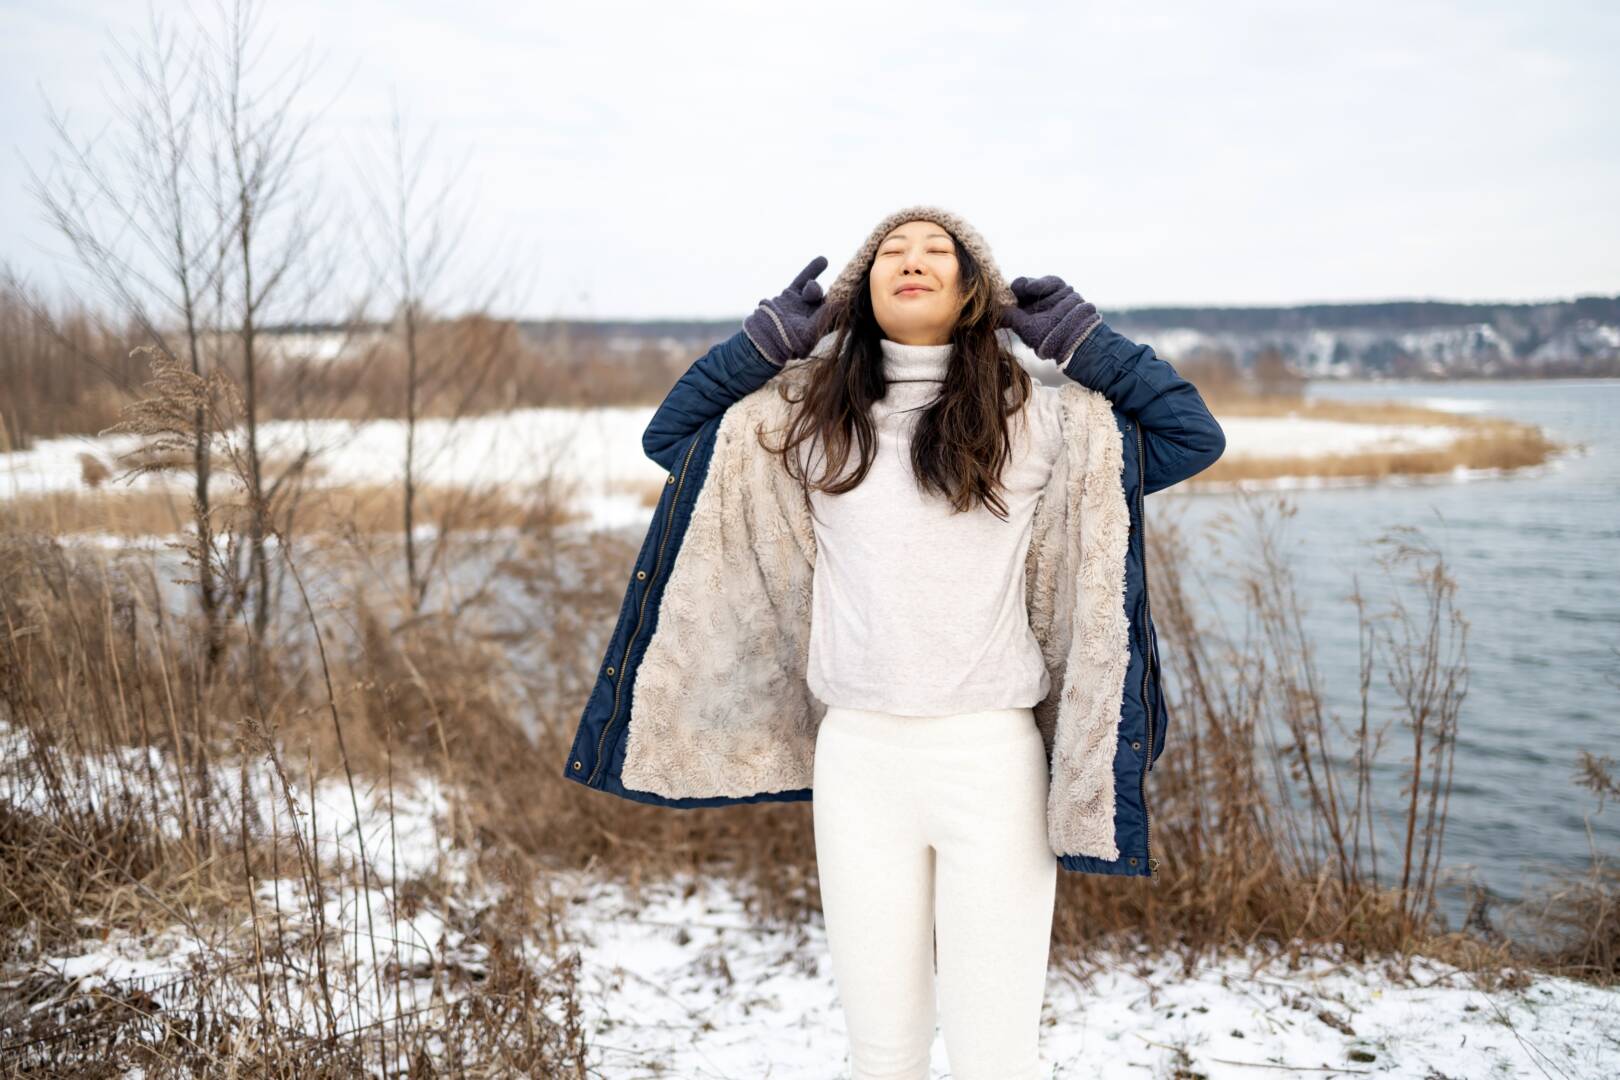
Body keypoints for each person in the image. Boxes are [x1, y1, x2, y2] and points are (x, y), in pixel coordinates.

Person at [561, 204, 1225, 1080]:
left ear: (972, 290)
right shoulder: (807, 416)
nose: (911, 261)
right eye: (890, 254)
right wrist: (766, 344)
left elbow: (1191, 435)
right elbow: (673, 439)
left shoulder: (1036, 418)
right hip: (859, 763)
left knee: (996, 1055)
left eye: (936, 252)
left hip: (991, 764)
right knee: (883, 1052)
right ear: (857, 294)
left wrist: (1079, 339)